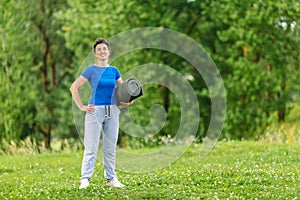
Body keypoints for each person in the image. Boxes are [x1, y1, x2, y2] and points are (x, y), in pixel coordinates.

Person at [70, 38, 133, 189]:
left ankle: (111, 179)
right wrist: (81, 106)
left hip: (113, 110)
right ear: (95, 53)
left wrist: (128, 101)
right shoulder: (91, 70)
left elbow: (122, 92)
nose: (102, 51)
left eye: (104, 49)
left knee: (110, 147)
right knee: (91, 147)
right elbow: (74, 87)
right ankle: (85, 179)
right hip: (95, 111)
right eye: (99, 49)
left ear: (109, 52)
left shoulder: (114, 71)